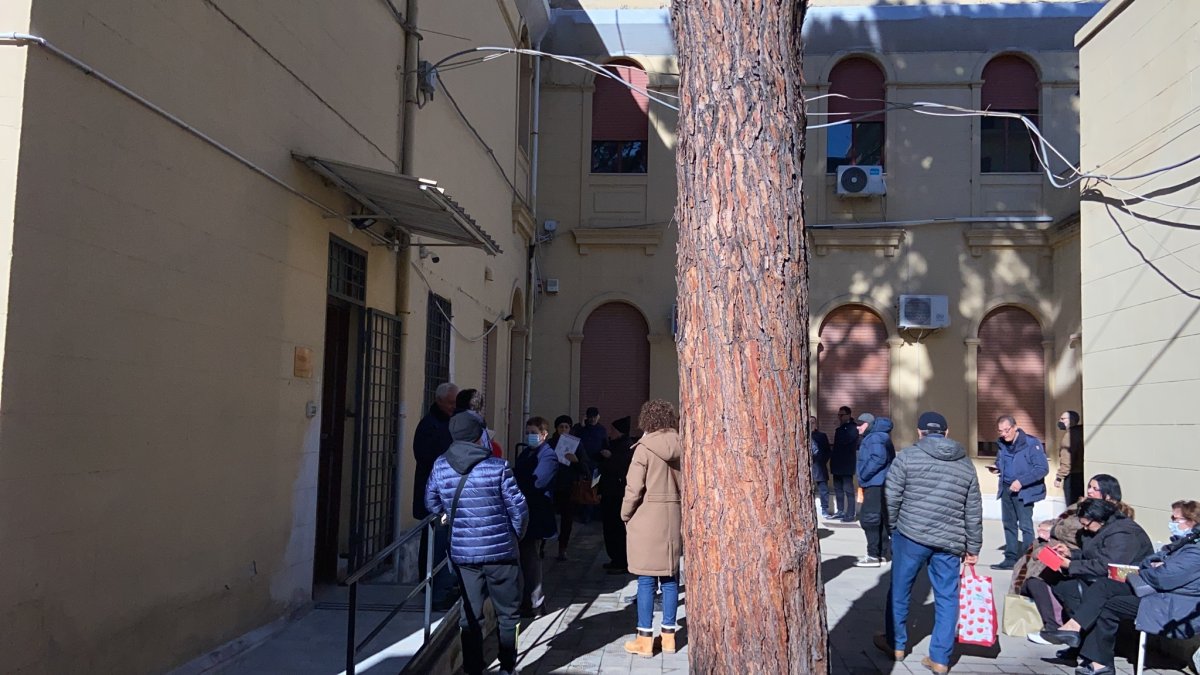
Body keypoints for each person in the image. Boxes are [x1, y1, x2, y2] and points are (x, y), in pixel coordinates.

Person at [1038, 500, 1200, 675]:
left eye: (1176, 519)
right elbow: (1149, 562)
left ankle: (1081, 638)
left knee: (1101, 595)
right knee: (1102, 593)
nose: (1171, 523)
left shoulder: (1194, 550)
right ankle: (1094, 655)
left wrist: (1148, 570)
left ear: (1192, 521)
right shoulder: (1182, 543)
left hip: (1172, 604)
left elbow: (1163, 577)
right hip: (1154, 592)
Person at [876, 411, 982, 675]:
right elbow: (973, 509)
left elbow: (891, 497)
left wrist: (894, 529)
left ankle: (896, 644)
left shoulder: (907, 458)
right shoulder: (965, 464)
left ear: (919, 432)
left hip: (911, 536)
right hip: (950, 541)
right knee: (948, 598)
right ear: (946, 433)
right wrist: (973, 547)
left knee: (900, 590)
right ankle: (940, 658)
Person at [424, 412, 528, 675]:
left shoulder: (440, 465)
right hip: (501, 554)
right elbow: (519, 508)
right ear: (478, 436)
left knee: (469, 615)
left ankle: (473, 668)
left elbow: (431, 502)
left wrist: (448, 515)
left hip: (464, 554)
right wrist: (514, 535)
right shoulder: (498, 466)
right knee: (509, 614)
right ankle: (507, 667)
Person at [1033, 497, 1154, 641]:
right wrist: (1071, 554)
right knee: (1064, 585)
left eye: (1087, 524)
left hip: (1130, 580)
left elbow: (1107, 565)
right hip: (1109, 577)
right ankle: (1076, 638)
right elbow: (1096, 555)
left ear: (1098, 519)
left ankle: (1076, 632)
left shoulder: (1123, 533)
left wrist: (1070, 565)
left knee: (1087, 591)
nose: (1084, 528)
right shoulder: (1103, 529)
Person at [622, 399, 684, 658]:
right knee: (670, 577)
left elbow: (633, 488)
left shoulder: (643, 448)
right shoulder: (683, 444)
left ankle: (644, 638)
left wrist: (625, 514)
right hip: (675, 514)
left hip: (647, 517)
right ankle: (668, 638)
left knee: (646, 580)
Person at [413, 381, 459, 608]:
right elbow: (425, 458)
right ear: (439, 400)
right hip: (434, 496)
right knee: (434, 541)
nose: (454, 406)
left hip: (448, 494)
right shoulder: (428, 425)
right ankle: (433, 588)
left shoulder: (450, 422)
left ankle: (443, 585)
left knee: (443, 541)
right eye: (451, 402)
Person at [991, 415, 1050, 570]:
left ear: (1015, 427)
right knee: (1008, 524)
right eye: (1000, 431)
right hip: (1006, 488)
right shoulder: (1002, 444)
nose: (1003, 434)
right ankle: (1010, 558)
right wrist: (997, 467)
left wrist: (1021, 482)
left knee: (1025, 526)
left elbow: (1042, 469)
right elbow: (1001, 461)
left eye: (1006, 430)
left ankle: (1027, 559)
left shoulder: (1031, 443)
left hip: (1024, 491)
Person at [514, 416, 558, 618]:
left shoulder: (548, 456)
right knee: (526, 559)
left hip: (536, 514)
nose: (530, 436)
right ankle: (529, 601)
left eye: (534, 433)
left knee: (531, 560)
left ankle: (535, 603)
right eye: (528, 432)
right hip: (524, 512)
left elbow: (538, 483)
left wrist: (515, 488)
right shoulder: (527, 453)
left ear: (544, 434)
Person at [854, 412, 895, 567]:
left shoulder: (875, 438)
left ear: (869, 425)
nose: (858, 427)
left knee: (869, 519)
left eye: (861, 424)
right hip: (881, 483)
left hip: (875, 483)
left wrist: (863, 474)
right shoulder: (880, 437)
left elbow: (878, 458)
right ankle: (880, 553)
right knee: (880, 519)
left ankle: (872, 556)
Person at [599, 416, 635, 574]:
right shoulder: (612, 444)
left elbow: (622, 467)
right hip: (609, 492)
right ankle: (614, 558)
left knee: (617, 528)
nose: (610, 432)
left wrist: (610, 457)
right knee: (609, 527)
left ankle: (621, 560)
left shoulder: (626, 447)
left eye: (613, 430)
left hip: (617, 493)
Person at [549, 415, 582, 561]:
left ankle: (563, 548)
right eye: (561, 427)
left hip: (568, 487)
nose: (563, 429)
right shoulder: (550, 443)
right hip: (552, 485)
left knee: (567, 519)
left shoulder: (576, 445)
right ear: (556, 428)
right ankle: (542, 545)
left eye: (566, 427)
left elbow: (585, 466)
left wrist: (576, 461)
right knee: (548, 516)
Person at [830, 406, 859, 522]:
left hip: (846, 464)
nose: (839, 417)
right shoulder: (840, 429)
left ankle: (850, 513)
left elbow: (846, 443)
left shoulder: (852, 428)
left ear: (848, 415)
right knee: (838, 489)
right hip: (837, 464)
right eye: (838, 415)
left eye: (842, 415)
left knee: (848, 490)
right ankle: (840, 510)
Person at [1054, 410, 1085, 506]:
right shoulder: (1081, 432)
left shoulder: (1070, 436)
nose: (1060, 421)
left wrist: (1059, 477)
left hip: (1072, 477)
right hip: (1082, 474)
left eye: (1063, 419)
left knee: (1072, 506)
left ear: (1071, 420)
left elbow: (1067, 459)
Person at [810, 415, 832, 519]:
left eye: (813, 422)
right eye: (809, 422)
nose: (811, 424)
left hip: (819, 467)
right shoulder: (802, 434)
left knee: (823, 490)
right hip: (807, 467)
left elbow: (827, 451)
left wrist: (822, 461)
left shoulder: (821, 436)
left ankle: (824, 509)